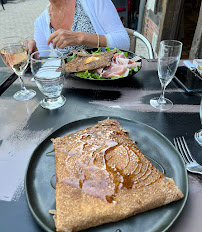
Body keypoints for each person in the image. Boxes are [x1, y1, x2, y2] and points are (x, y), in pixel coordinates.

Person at [29, 0, 130, 55]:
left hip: (105, 80)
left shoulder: (93, 2)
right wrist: (30, 52)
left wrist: (81, 38)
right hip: (69, 87)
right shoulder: (41, 21)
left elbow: (124, 42)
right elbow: (41, 59)